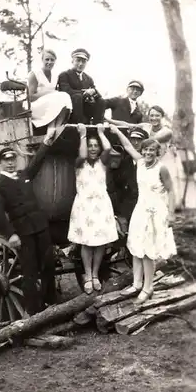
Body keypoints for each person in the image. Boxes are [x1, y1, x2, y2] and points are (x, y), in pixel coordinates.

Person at [0, 128, 60, 316]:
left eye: (13, 159)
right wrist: (10, 234)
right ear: (0, 164)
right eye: (7, 161)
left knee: (48, 264)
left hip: (40, 226)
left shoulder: (24, 176)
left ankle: (51, 304)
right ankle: (34, 312)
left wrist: (46, 142)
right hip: (23, 233)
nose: (11, 163)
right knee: (30, 271)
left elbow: (37, 162)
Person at [109, 124, 177, 306]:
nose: (148, 153)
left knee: (148, 252)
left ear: (157, 152)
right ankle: (136, 283)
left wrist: (171, 214)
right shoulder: (139, 162)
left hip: (156, 212)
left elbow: (171, 191)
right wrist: (116, 131)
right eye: (146, 150)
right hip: (140, 210)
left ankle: (148, 287)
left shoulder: (161, 169)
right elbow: (129, 146)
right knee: (136, 247)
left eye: (152, 150)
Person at [68, 123, 119, 294]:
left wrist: (100, 132)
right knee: (87, 242)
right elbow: (82, 154)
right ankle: (88, 276)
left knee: (100, 243)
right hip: (84, 207)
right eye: (90, 145)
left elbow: (109, 148)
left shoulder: (102, 163)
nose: (93, 148)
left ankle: (95, 274)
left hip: (101, 205)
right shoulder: (79, 163)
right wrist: (83, 134)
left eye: (95, 145)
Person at [107, 127, 149, 227]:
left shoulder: (148, 160)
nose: (135, 143)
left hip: (144, 204)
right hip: (126, 206)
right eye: (132, 139)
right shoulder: (123, 161)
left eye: (139, 140)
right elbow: (115, 185)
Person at [26, 49, 72, 135]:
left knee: (64, 96)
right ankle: (51, 126)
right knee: (57, 96)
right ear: (42, 60)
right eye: (47, 59)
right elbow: (30, 97)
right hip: (35, 106)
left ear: (55, 61)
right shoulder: (35, 74)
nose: (49, 62)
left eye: (52, 60)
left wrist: (53, 94)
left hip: (48, 104)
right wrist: (49, 93)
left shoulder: (55, 76)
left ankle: (57, 127)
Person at [56, 48, 106, 124]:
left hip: (86, 109)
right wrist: (85, 93)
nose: (80, 64)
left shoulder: (88, 78)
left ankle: (98, 125)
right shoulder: (64, 75)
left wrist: (94, 92)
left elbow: (97, 93)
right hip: (71, 110)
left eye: (83, 61)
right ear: (72, 61)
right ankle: (79, 124)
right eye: (78, 60)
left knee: (101, 101)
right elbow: (66, 91)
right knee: (77, 96)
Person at [105, 104, 173, 158]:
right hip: (148, 159)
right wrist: (108, 120)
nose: (154, 118)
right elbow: (127, 124)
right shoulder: (146, 126)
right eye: (151, 115)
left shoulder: (167, 131)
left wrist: (118, 132)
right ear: (148, 116)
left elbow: (150, 142)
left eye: (157, 116)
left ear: (162, 117)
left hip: (163, 160)